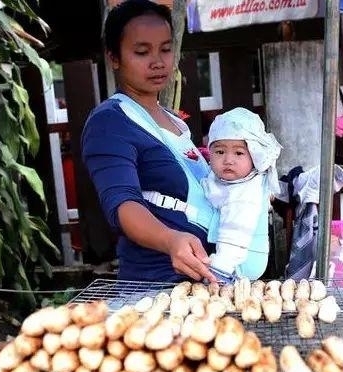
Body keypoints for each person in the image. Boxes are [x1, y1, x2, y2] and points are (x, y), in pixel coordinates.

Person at [81, 0, 217, 283]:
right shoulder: (110, 122)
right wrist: (170, 240)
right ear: (114, 58)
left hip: (209, 279)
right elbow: (123, 205)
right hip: (157, 285)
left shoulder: (172, 119)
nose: (158, 62)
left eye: (166, 49)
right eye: (142, 52)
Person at [202, 107, 282, 282]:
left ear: (255, 155)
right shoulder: (234, 179)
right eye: (220, 152)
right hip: (239, 254)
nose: (228, 160)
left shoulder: (245, 192)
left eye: (239, 153)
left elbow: (235, 232)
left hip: (242, 258)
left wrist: (218, 271)